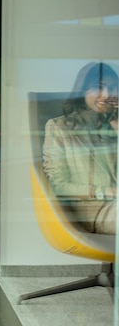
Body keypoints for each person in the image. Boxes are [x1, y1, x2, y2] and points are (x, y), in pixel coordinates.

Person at [43, 61, 118, 235]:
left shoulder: (114, 125)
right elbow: (59, 186)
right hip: (95, 210)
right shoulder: (60, 126)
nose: (106, 94)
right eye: (99, 87)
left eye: (113, 88)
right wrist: (106, 192)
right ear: (83, 90)